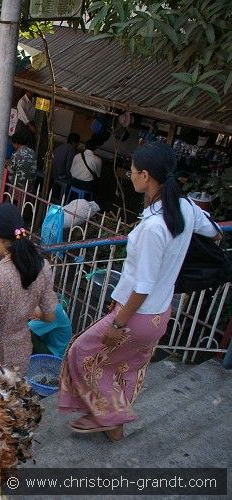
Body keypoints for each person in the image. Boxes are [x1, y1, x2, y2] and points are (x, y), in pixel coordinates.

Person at [57, 142, 222, 442]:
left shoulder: (153, 228)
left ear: (145, 176)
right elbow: (214, 231)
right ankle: (114, 427)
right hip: (161, 313)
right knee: (127, 366)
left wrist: (118, 324)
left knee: (81, 352)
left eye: (132, 171)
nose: (129, 175)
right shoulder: (185, 208)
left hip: (136, 315)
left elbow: (142, 287)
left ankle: (111, 416)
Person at [0, 202, 57, 375]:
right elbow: (50, 316)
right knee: (16, 397)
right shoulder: (43, 266)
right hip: (22, 355)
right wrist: (29, 309)